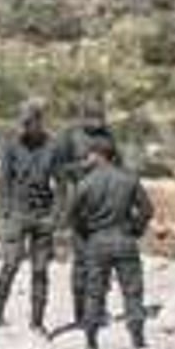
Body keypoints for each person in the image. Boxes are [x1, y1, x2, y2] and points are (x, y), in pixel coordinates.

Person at [69, 138, 153, 349]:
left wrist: (86, 233)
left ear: (98, 155)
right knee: (132, 291)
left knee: (95, 293)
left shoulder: (85, 184)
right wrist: (135, 230)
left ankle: (91, 341)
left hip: (97, 241)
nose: (86, 159)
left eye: (89, 155)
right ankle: (137, 338)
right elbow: (147, 209)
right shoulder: (129, 179)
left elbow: (72, 216)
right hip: (125, 240)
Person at [0, 100, 61, 332]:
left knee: (40, 270)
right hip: (18, 212)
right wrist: (5, 213)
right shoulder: (12, 146)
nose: (25, 127)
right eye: (23, 123)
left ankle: (37, 322)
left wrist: (55, 215)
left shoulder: (53, 146)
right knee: (11, 263)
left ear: (39, 122)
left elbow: (63, 184)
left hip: (43, 214)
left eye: (29, 122)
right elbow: (3, 182)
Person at [53, 97, 120, 326]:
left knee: (104, 260)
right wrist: (84, 166)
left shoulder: (108, 136)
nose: (98, 121)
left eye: (101, 117)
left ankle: (99, 309)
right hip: (80, 206)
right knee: (82, 261)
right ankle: (81, 313)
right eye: (93, 117)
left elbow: (119, 165)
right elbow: (57, 169)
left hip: (106, 205)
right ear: (83, 117)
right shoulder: (69, 136)